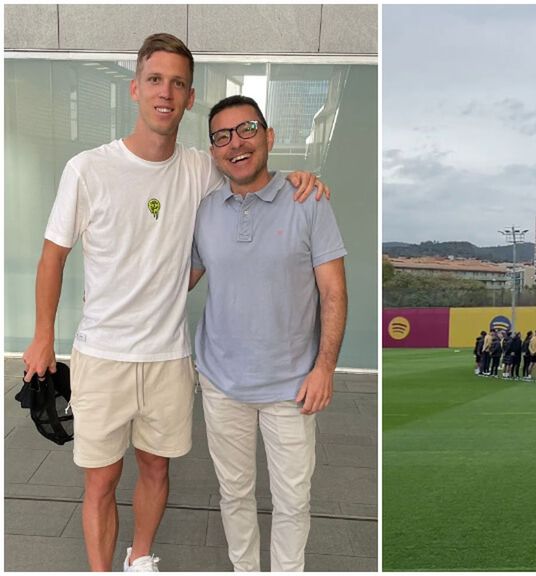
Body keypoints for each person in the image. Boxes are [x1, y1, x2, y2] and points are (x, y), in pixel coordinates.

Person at [20, 34, 327, 572]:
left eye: (179, 83)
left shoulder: (200, 168)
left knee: (157, 471)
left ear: (189, 98)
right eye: (156, 79)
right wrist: (43, 335)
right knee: (101, 480)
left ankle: (140, 560)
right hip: (103, 354)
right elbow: (53, 257)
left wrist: (299, 179)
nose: (166, 91)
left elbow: (249, 171)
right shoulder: (87, 169)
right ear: (136, 88)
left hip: (168, 357)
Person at [189, 95, 346, 571]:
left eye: (247, 129)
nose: (235, 143)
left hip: (292, 386)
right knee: (234, 495)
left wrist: (325, 369)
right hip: (221, 383)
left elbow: (334, 293)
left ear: (269, 136)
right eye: (222, 136)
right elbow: (176, 279)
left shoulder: (309, 200)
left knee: (293, 501)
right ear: (214, 151)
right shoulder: (205, 210)